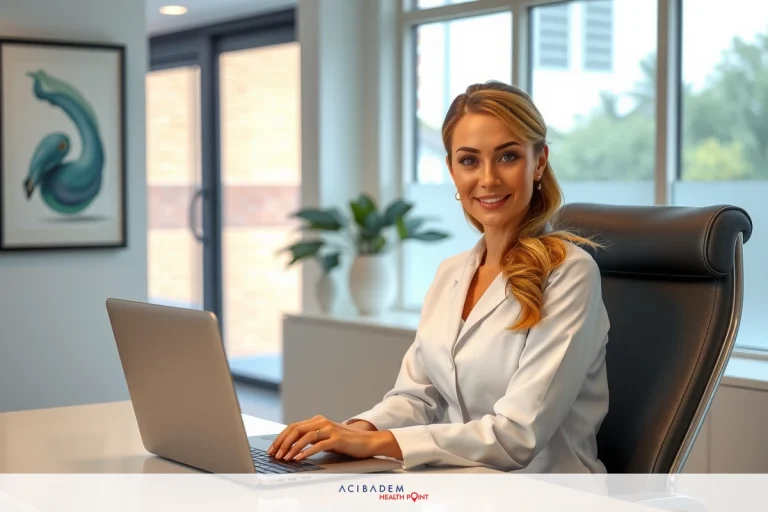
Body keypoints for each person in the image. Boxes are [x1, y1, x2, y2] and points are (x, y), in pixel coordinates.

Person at [267, 81, 610, 473]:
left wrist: (375, 443)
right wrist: (345, 434)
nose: (487, 179)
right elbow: (417, 398)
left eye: (508, 157)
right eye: (469, 161)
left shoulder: (569, 273)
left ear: (540, 161)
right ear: (451, 169)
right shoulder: (452, 272)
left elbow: (517, 436)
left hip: (546, 493)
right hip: (461, 486)